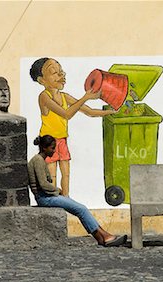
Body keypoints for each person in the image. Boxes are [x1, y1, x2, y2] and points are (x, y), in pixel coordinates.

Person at [29, 57, 115, 197]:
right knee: (52, 176)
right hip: (48, 141)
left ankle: (66, 198)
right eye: (54, 72)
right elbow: (67, 114)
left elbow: (89, 112)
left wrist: (109, 112)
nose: (61, 75)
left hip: (62, 139)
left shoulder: (64, 96)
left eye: (61, 71)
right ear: (41, 80)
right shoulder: (44, 97)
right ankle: (54, 201)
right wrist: (85, 97)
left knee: (66, 174)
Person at [28, 134, 127, 247]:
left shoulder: (40, 160)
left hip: (47, 196)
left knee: (80, 209)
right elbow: (43, 184)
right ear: (44, 148)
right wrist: (58, 190)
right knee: (81, 209)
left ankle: (101, 237)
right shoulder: (38, 161)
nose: (54, 151)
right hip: (45, 198)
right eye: (52, 148)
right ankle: (105, 236)